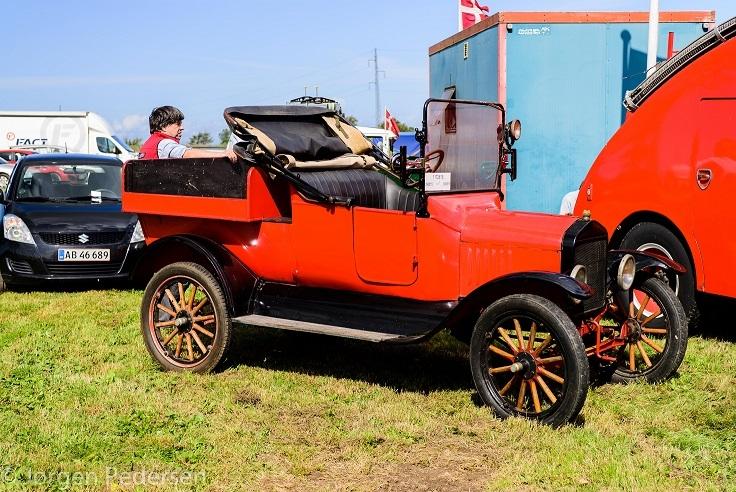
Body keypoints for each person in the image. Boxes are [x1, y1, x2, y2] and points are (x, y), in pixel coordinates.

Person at [139, 106, 237, 161]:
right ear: (163, 126)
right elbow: (187, 153)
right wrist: (222, 154)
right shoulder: (165, 144)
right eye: (178, 124)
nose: (182, 128)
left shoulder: (148, 144)